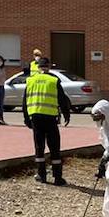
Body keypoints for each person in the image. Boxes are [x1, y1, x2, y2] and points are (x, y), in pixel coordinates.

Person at [22, 56, 71, 185]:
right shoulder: (54, 80)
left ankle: (41, 175)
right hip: (50, 118)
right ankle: (57, 177)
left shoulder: (30, 81)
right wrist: (66, 115)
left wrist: (26, 118)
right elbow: (62, 99)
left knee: (39, 147)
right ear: (49, 67)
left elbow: (25, 101)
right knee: (54, 147)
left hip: (36, 118)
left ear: (38, 68)